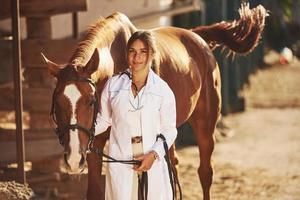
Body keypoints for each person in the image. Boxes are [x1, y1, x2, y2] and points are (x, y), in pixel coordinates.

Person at [94, 30, 178, 200]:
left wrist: (153, 154)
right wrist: (80, 132)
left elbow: (170, 130)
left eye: (143, 51)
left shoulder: (162, 90)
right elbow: (103, 120)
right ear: (127, 54)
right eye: (132, 51)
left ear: (152, 54)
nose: (137, 56)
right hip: (120, 156)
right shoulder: (113, 85)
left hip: (150, 155)